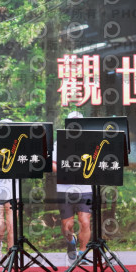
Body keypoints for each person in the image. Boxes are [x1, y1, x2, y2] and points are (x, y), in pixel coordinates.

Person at [52, 111, 91, 263]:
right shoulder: (59, 143)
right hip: (65, 189)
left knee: (85, 221)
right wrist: (67, 172)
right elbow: (53, 164)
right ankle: (71, 243)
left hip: (85, 189)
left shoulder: (89, 142)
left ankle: (82, 253)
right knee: (67, 225)